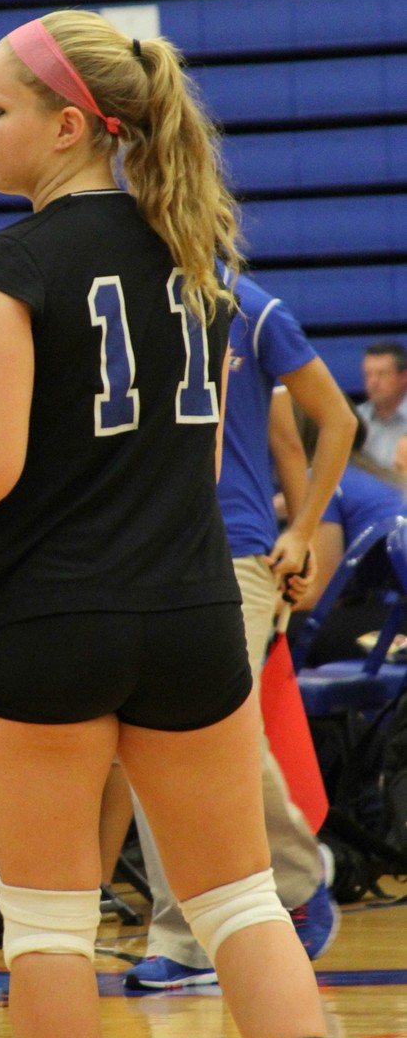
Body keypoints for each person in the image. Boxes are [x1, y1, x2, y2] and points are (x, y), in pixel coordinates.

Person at [0, 10, 403, 1038]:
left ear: (67, 127)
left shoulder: (4, 266)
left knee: (49, 925)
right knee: (237, 906)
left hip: (44, 626)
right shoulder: (200, 261)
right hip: (184, 620)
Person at [125, 275, 356, 991]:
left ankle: (294, 874)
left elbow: (327, 424)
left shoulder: (250, 309)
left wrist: (303, 530)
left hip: (236, 549)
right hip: (141, 548)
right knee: (143, 740)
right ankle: (178, 936)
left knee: (226, 734)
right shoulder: (117, 296)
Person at [289, 405, 406, 664]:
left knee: (275, 631)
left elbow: (320, 591)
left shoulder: (321, 480)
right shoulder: (373, 474)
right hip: (392, 613)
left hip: (391, 624)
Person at [358, 339, 407, 470]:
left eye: (382, 374)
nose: (373, 382)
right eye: (368, 374)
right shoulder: (355, 420)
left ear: (403, 377)